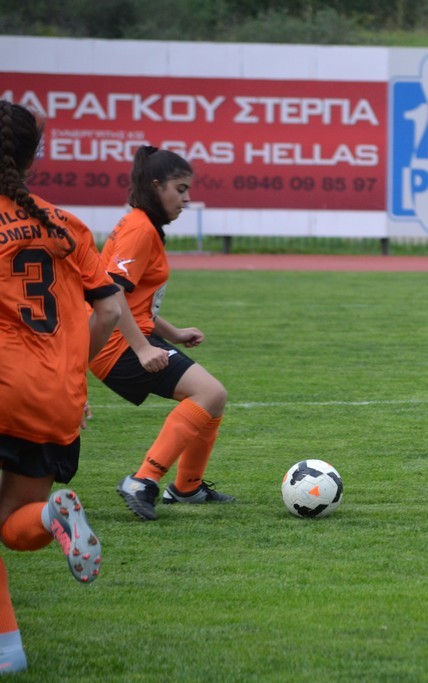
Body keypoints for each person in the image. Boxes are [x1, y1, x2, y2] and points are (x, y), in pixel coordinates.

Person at [0, 101, 121, 673]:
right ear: (33, 157)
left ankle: (8, 650)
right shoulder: (68, 224)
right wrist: (73, 374)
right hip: (56, 397)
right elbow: (109, 310)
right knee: (15, 522)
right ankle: (52, 515)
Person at [90, 146, 233, 521]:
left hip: (125, 337)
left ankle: (187, 488)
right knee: (211, 393)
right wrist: (142, 348)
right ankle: (142, 480)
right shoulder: (139, 229)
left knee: (213, 400)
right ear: (156, 186)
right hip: (116, 345)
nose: (186, 199)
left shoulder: (142, 225)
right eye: (180, 189)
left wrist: (174, 332)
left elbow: (136, 300)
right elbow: (112, 291)